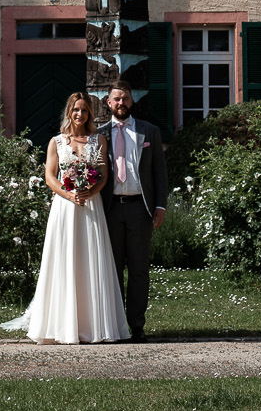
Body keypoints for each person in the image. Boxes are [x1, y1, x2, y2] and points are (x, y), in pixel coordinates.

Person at [0, 92, 129, 344]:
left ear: (90, 113)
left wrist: (90, 191)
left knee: (91, 259)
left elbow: (103, 175)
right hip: (65, 208)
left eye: (84, 110)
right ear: (69, 112)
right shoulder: (56, 142)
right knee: (65, 259)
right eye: (76, 110)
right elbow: (50, 177)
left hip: (91, 206)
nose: (80, 114)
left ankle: (93, 326)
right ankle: (62, 325)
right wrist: (70, 196)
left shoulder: (98, 140)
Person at [99, 78, 169, 342]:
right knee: (112, 269)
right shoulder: (99, 134)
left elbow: (159, 172)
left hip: (141, 209)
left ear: (132, 100)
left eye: (125, 98)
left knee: (139, 270)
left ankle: (137, 325)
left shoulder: (149, 132)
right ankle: (116, 327)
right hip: (110, 210)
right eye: (116, 98)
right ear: (108, 102)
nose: (121, 103)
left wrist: (160, 205)